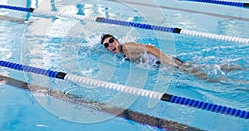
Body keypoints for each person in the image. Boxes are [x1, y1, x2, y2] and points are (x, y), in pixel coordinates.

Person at [100, 34, 243, 83]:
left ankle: (239, 83)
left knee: (207, 79)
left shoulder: (127, 48)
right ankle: (242, 68)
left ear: (116, 40)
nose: (110, 45)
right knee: (209, 68)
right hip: (164, 63)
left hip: (167, 62)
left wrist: (168, 62)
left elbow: (151, 49)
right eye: (107, 45)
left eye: (111, 41)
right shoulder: (121, 54)